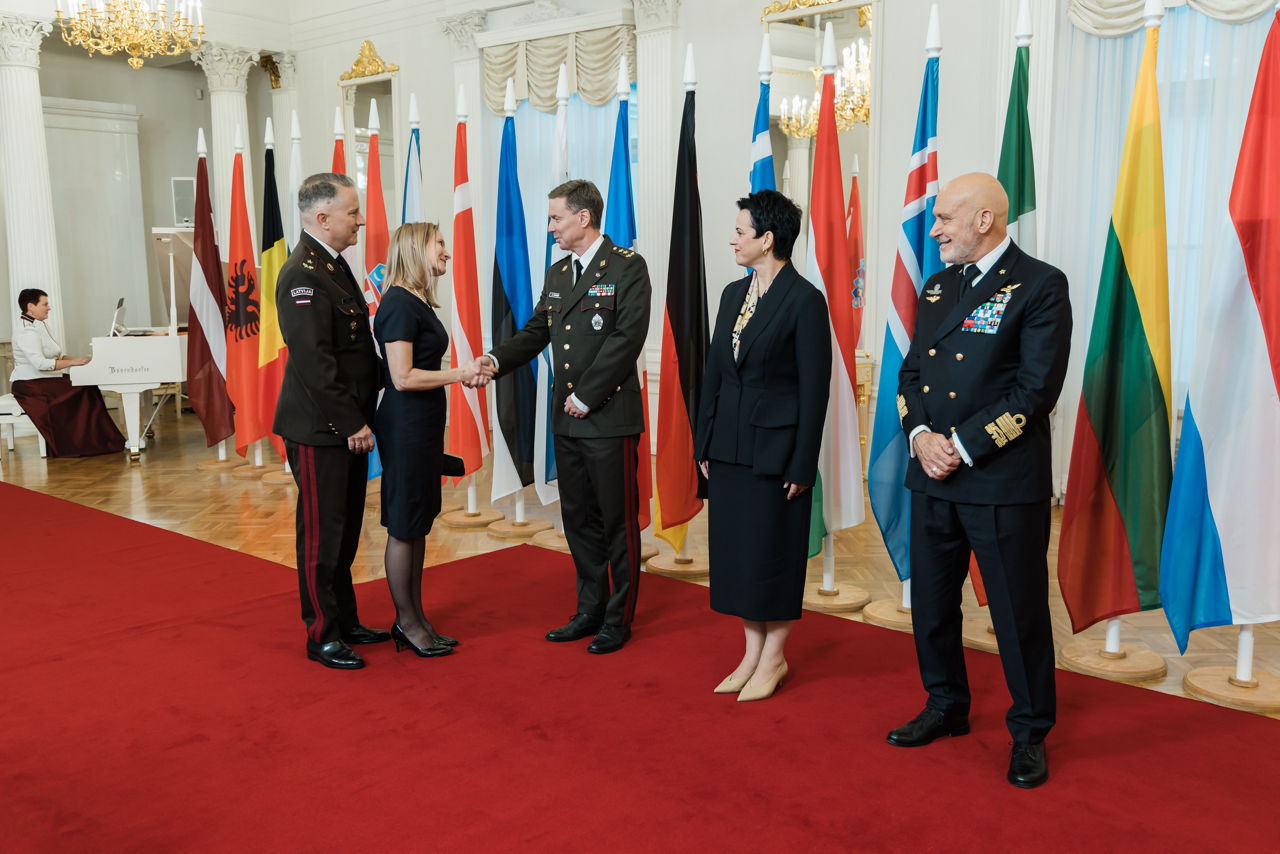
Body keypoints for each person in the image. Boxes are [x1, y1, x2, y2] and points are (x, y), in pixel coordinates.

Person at [888, 172, 1071, 788]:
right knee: (933, 605)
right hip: (933, 473)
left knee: (1018, 614)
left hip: (998, 478)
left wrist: (958, 447)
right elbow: (910, 375)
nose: (933, 229)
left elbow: (1035, 392)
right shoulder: (939, 287)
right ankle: (945, 704)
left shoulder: (1041, 285)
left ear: (984, 220)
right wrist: (920, 438)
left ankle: (1029, 732)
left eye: (943, 219)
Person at [474, 179, 651, 654]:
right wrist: (494, 360)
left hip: (608, 416)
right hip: (567, 420)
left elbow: (626, 339)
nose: (549, 227)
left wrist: (589, 395)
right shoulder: (558, 274)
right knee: (578, 518)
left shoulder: (627, 268)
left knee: (617, 521)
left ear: (583, 218)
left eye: (555, 218)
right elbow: (535, 332)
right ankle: (589, 608)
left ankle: (618, 617)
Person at [693, 190, 831, 702]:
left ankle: (774, 657)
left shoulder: (805, 301)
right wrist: (703, 440)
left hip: (777, 455)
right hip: (727, 448)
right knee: (739, 556)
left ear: (767, 239)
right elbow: (715, 374)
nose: (731, 238)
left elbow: (815, 392)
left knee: (772, 555)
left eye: (739, 231)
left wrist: (803, 464)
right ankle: (751, 652)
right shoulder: (733, 294)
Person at [273, 172, 389, 670]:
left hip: (347, 427)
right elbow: (316, 362)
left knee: (344, 532)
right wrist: (352, 423)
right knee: (322, 536)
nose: (360, 219)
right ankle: (321, 634)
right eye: (352, 212)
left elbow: (357, 351)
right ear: (323, 218)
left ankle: (344, 621)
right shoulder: (303, 273)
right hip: (324, 430)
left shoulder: (334, 266)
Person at [373, 222, 486, 658]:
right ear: (416, 249)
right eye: (439, 244)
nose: (447, 252)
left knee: (417, 522)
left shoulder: (417, 300)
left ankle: (417, 619)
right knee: (404, 525)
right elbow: (401, 377)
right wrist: (460, 373)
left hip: (419, 428)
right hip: (404, 428)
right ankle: (406, 623)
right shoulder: (399, 303)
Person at [9, 289, 125, 457]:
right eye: (45, 304)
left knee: (87, 385)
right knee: (84, 389)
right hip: (30, 385)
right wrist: (71, 363)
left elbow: (56, 356)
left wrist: (81, 359)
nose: (49, 308)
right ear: (30, 307)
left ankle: (96, 440)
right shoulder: (27, 331)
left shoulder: (39, 324)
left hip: (42, 379)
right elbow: (40, 363)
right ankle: (87, 443)